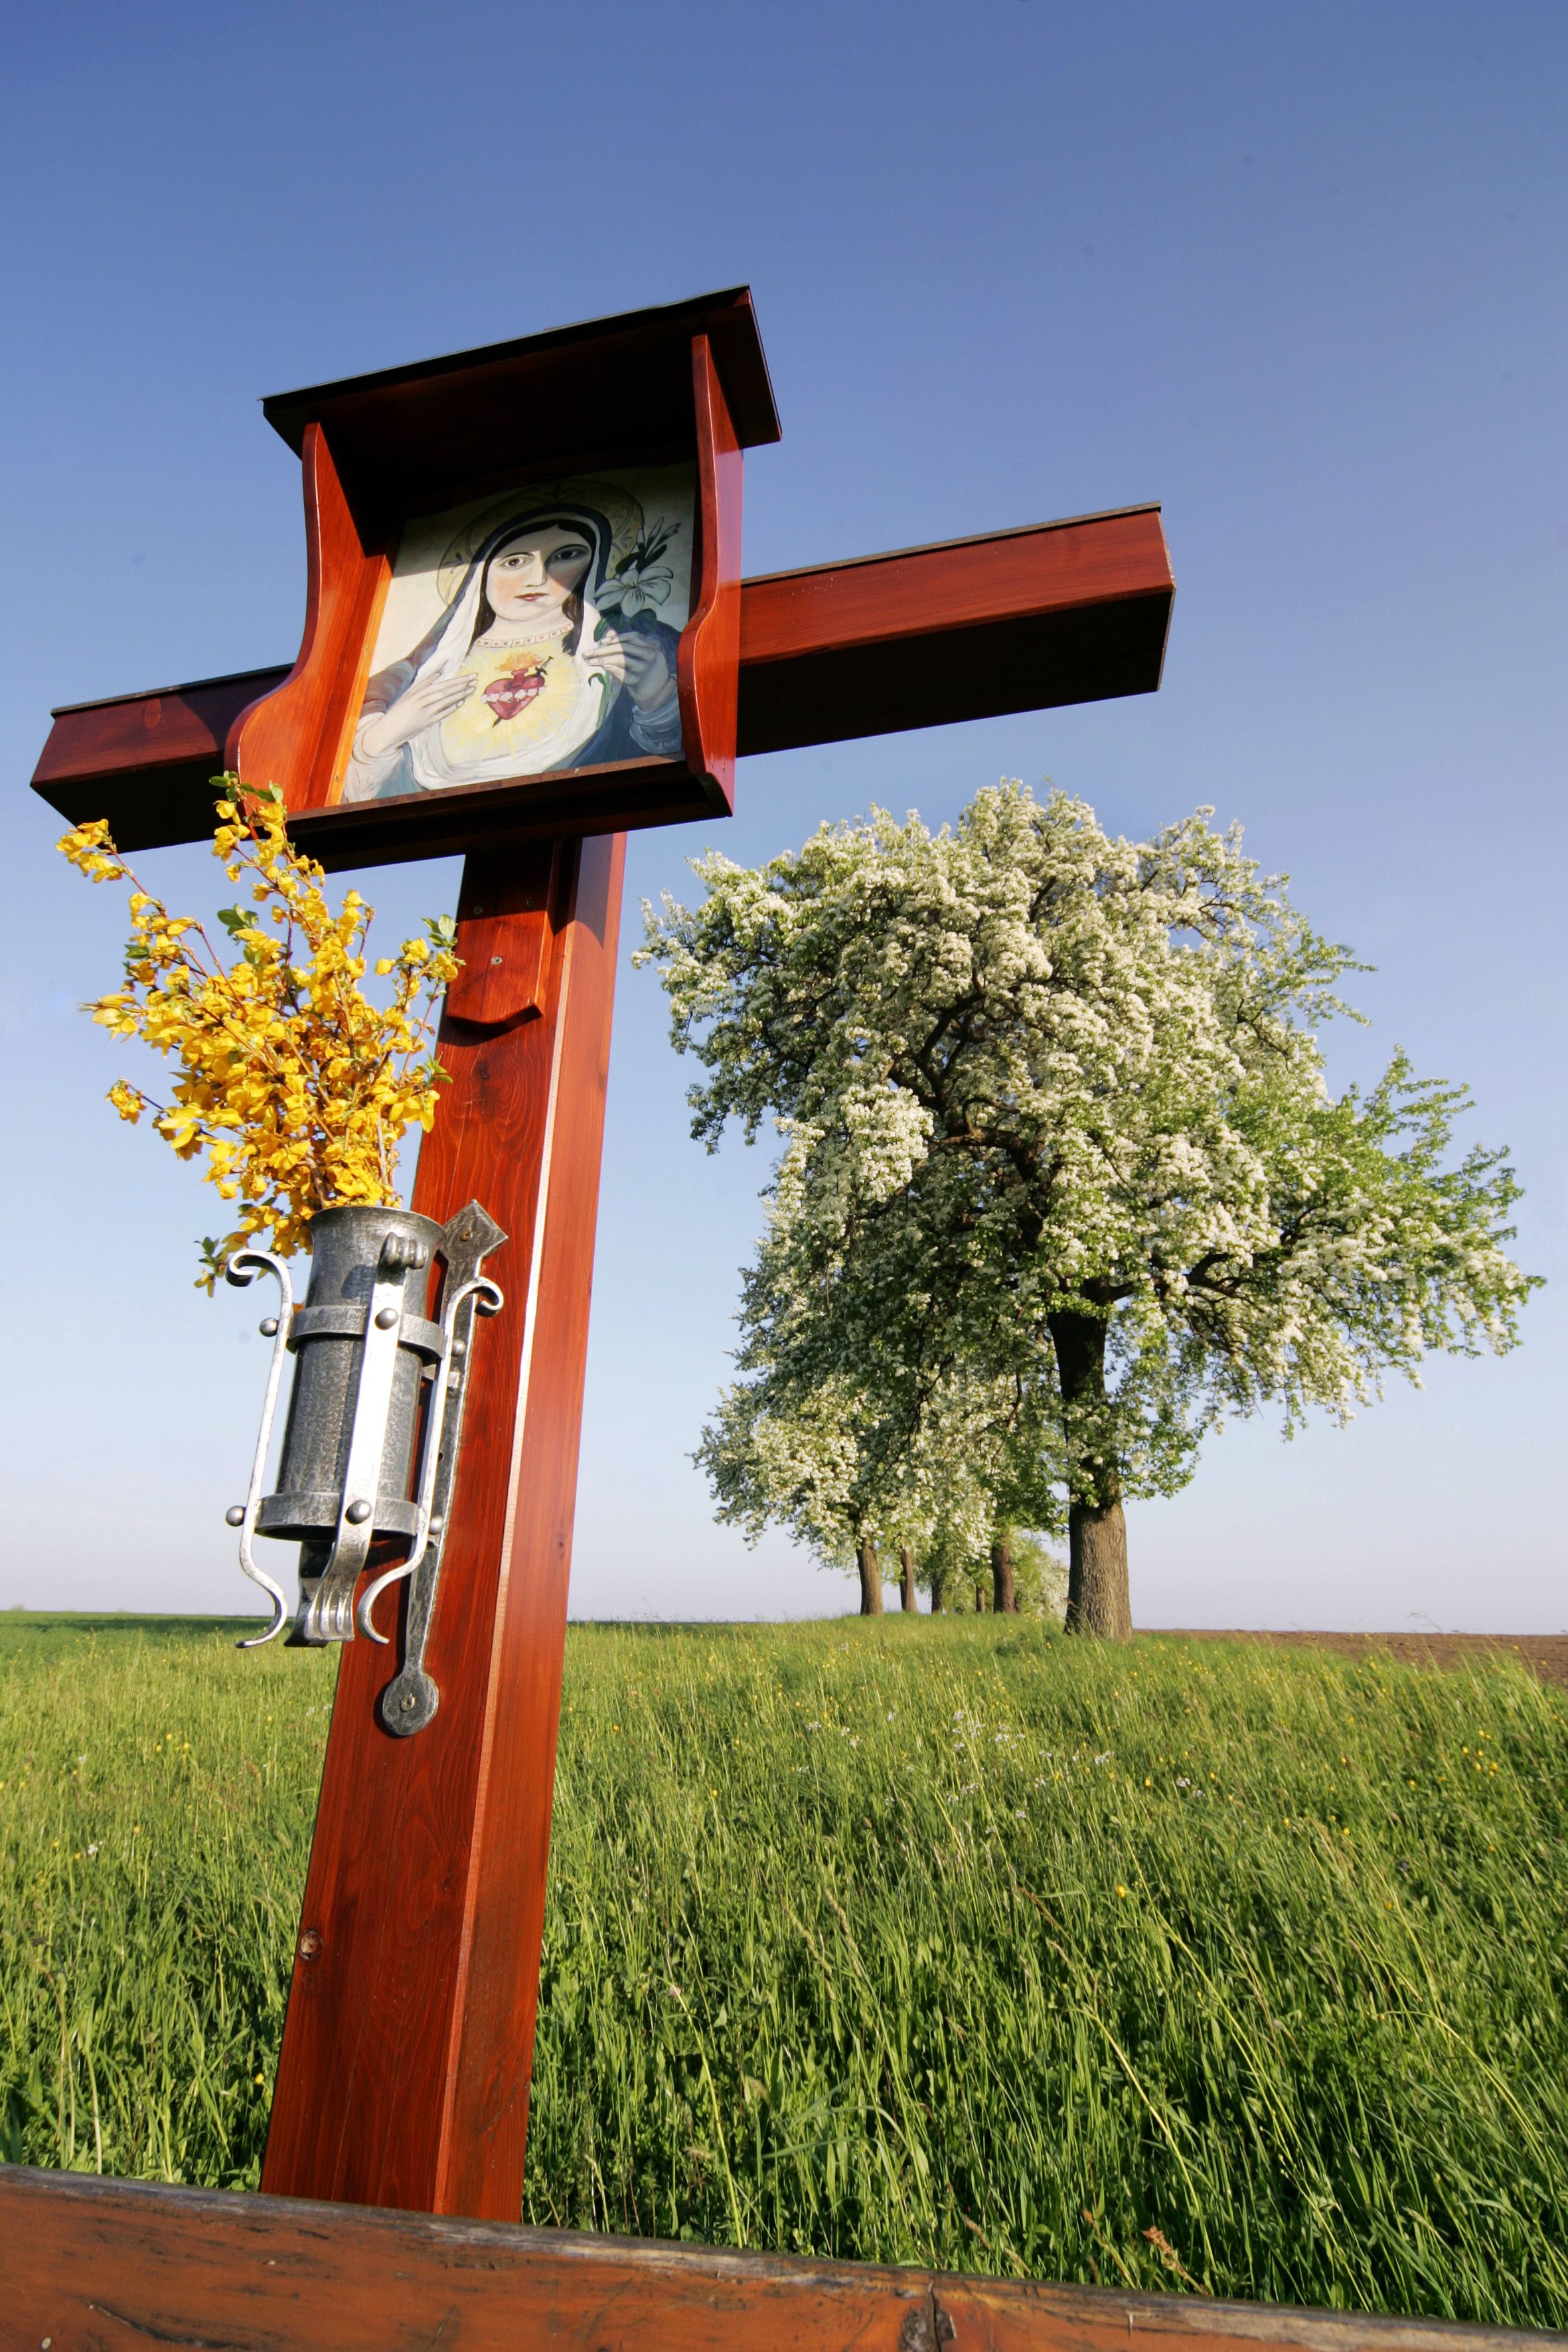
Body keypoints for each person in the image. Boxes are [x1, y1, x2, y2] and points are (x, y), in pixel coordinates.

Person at [343, 501, 682, 802]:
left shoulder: (634, 648)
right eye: (515, 561)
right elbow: (352, 795)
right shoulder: (413, 673)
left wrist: (659, 699)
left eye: (567, 555)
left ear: (593, 564)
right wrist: (383, 738)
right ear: (482, 575)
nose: (537, 578)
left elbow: (663, 767)